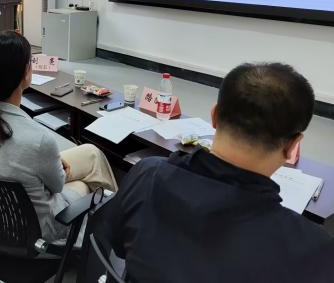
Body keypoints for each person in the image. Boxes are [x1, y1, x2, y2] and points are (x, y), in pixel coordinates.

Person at [105, 63, 334, 283]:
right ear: (293, 145)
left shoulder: (147, 175)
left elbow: (117, 245)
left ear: (214, 116)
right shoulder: (312, 249)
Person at [0, 31, 117, 242]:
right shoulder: (38, 139)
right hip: (34, 230)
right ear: (26, 72)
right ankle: (114, 232)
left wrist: (49, 161)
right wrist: (52, 163)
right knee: (85, 185)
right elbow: (57, 186)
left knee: (92, 153)